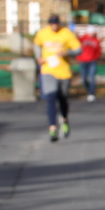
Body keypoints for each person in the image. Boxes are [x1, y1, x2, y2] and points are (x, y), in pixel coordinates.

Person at [33, 13, 81, 142]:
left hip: (63, 71)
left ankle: (64, 120)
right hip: (48, 70)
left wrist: (66, 52)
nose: (54, 26)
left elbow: (78, 49)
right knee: (51, 97)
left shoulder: (66, 34)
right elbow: (36, 44)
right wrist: (39, 57)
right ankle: (52, 128)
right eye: (51, 24)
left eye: (56, 24)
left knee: (62, 98)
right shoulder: (43, 33)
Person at [77, 25, 102, 102]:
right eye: (90, 32)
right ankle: (89, 90)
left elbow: (98, 50)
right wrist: (79, 58)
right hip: (83, 61)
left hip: (92, 61)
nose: (91, 34)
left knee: (92, 78)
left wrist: (96, 58)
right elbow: (76, 47)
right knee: (84, 78)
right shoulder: (82, 39)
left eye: (93, 32)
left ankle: (92, 93)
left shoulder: (96, 40)